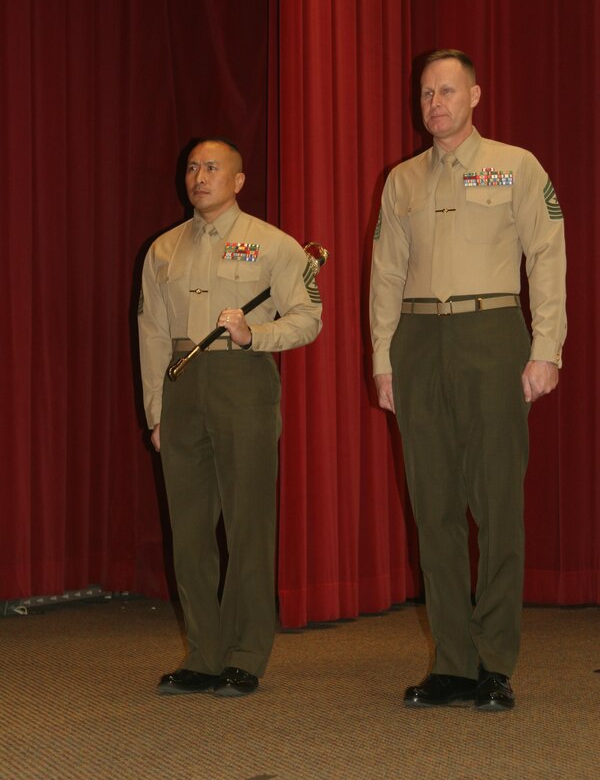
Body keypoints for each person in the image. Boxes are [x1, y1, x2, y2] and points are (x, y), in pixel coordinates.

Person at [369, 49, 566, 711]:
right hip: (420, 342)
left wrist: (546, 349)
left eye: (448, 90)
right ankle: (452, 662)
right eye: (426, 93)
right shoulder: (402, 182)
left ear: (476, 95)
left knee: (497, 504)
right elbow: (386, 275)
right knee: (435, 506)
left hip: (491, 334)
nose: (435, 102)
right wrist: (382, 359)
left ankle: (495, 662)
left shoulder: (516, 167)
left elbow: (546, 255)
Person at [138, 138, 323, 696]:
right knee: (190, 529)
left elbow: (308, 318)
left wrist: (253, 335)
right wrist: (156, 410)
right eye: (192, 166)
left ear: (239, 181)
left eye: (213, 167)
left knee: (247, 525)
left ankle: (245, 653)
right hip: (182, 384)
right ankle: (203, 652)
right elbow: (149, 332)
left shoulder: (274, 245)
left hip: (243, 382)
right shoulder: (163, 249)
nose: (200, 176)